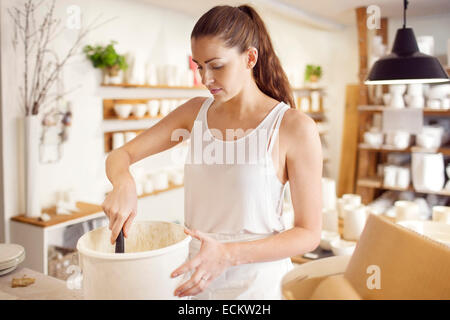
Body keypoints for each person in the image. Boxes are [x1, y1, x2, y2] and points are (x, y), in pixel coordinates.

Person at [102, 4, 322, 300]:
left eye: (216, 65)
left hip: (257, 288)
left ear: (250, 58)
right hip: (196, 281)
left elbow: (308, 234)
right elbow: (120, 156)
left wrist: (228, 254)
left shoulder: (293, 127)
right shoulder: (194, 113)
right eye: (199, 66)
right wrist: (123, 182)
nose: (205, 79)